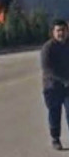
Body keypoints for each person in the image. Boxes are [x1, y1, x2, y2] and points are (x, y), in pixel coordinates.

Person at [42, 19, 69, 149]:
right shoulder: (48, 48)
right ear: (53, 32)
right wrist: (64, 80)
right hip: (52, 87)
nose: (61, 33)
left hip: (68, 88)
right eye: (58, 31)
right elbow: (48, 69)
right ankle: (55, 139)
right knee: (54, 113)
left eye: (63, 30)